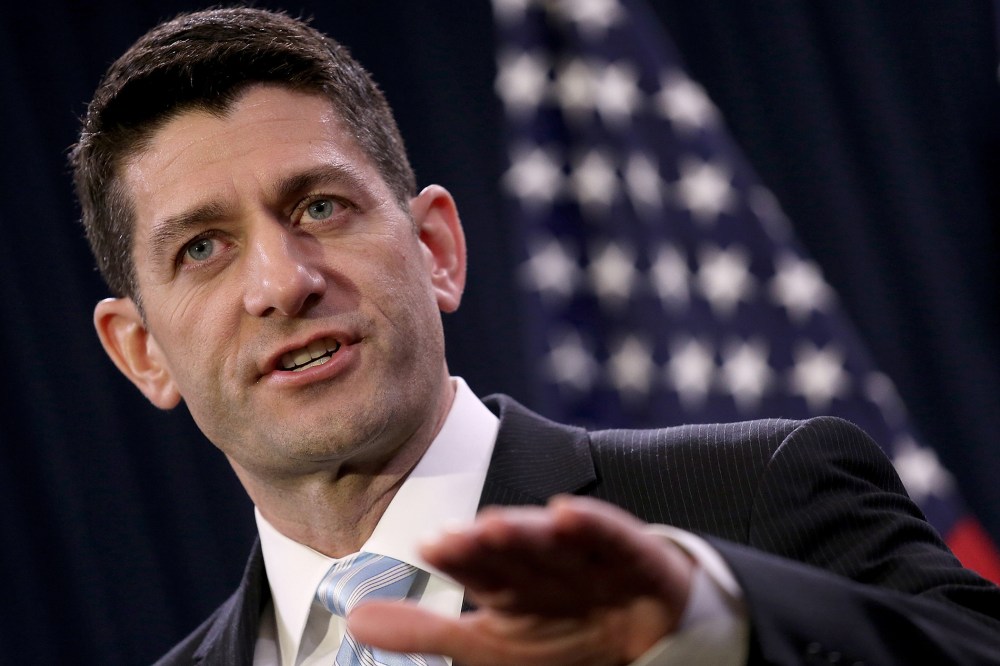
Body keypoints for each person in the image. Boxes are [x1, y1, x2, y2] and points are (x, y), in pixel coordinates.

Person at [70, 7, 1000, 666]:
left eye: (319, 206)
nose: (283, 282)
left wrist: (709, 630)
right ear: (141, 352)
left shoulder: (757, 501)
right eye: (202, 248)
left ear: (435, 248)